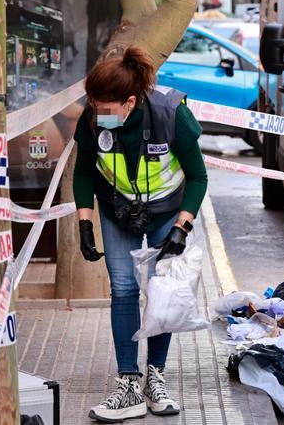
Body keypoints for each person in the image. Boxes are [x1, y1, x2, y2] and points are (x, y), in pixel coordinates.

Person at [73, 47, 208, 422]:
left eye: (105, 108)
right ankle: (128, 383)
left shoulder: (170, 114)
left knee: (162, 291)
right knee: (124, 290)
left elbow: (198, 176)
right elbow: (84, 173)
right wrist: (85, 222)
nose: (97, 115)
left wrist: (182, 227)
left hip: (168, 211)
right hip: (118, 211)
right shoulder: (93, 118)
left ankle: (155, 378)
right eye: (93, 106)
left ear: (130, 102)